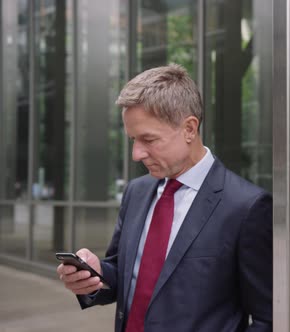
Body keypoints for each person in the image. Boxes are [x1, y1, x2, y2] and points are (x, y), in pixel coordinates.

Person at [56, 64, 272, 332]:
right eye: (133, 139)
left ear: (189, 129)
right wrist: (94, 273)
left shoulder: (247, 206)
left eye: (148, 139)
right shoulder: (136, 192)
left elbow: (266, 318)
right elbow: (124, 275)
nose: (137, 154)